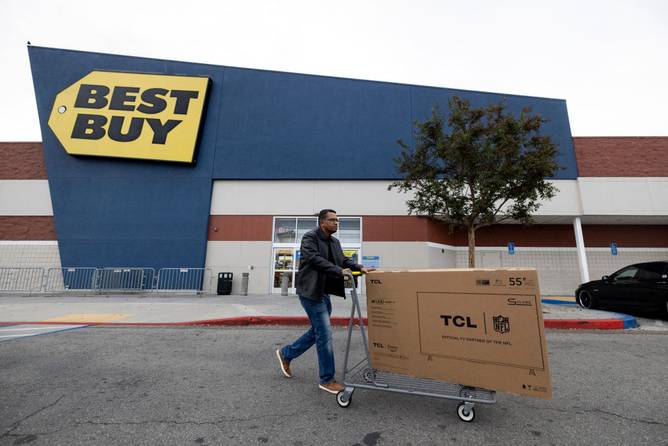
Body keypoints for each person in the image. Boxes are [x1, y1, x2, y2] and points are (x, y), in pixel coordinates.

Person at [276, 209, 374, 394]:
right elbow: (314, 259)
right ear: (322, 223)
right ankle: (327, 379)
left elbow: (343, 260)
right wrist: (338, 271)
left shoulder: (335, 241)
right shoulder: (309, 238)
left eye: (337, 220)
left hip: (324, 292)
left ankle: (286, 354)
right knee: (324, 333)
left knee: (318, 331)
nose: (337, 223)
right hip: (310, 292)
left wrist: (359, 267)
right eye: (333, 220)